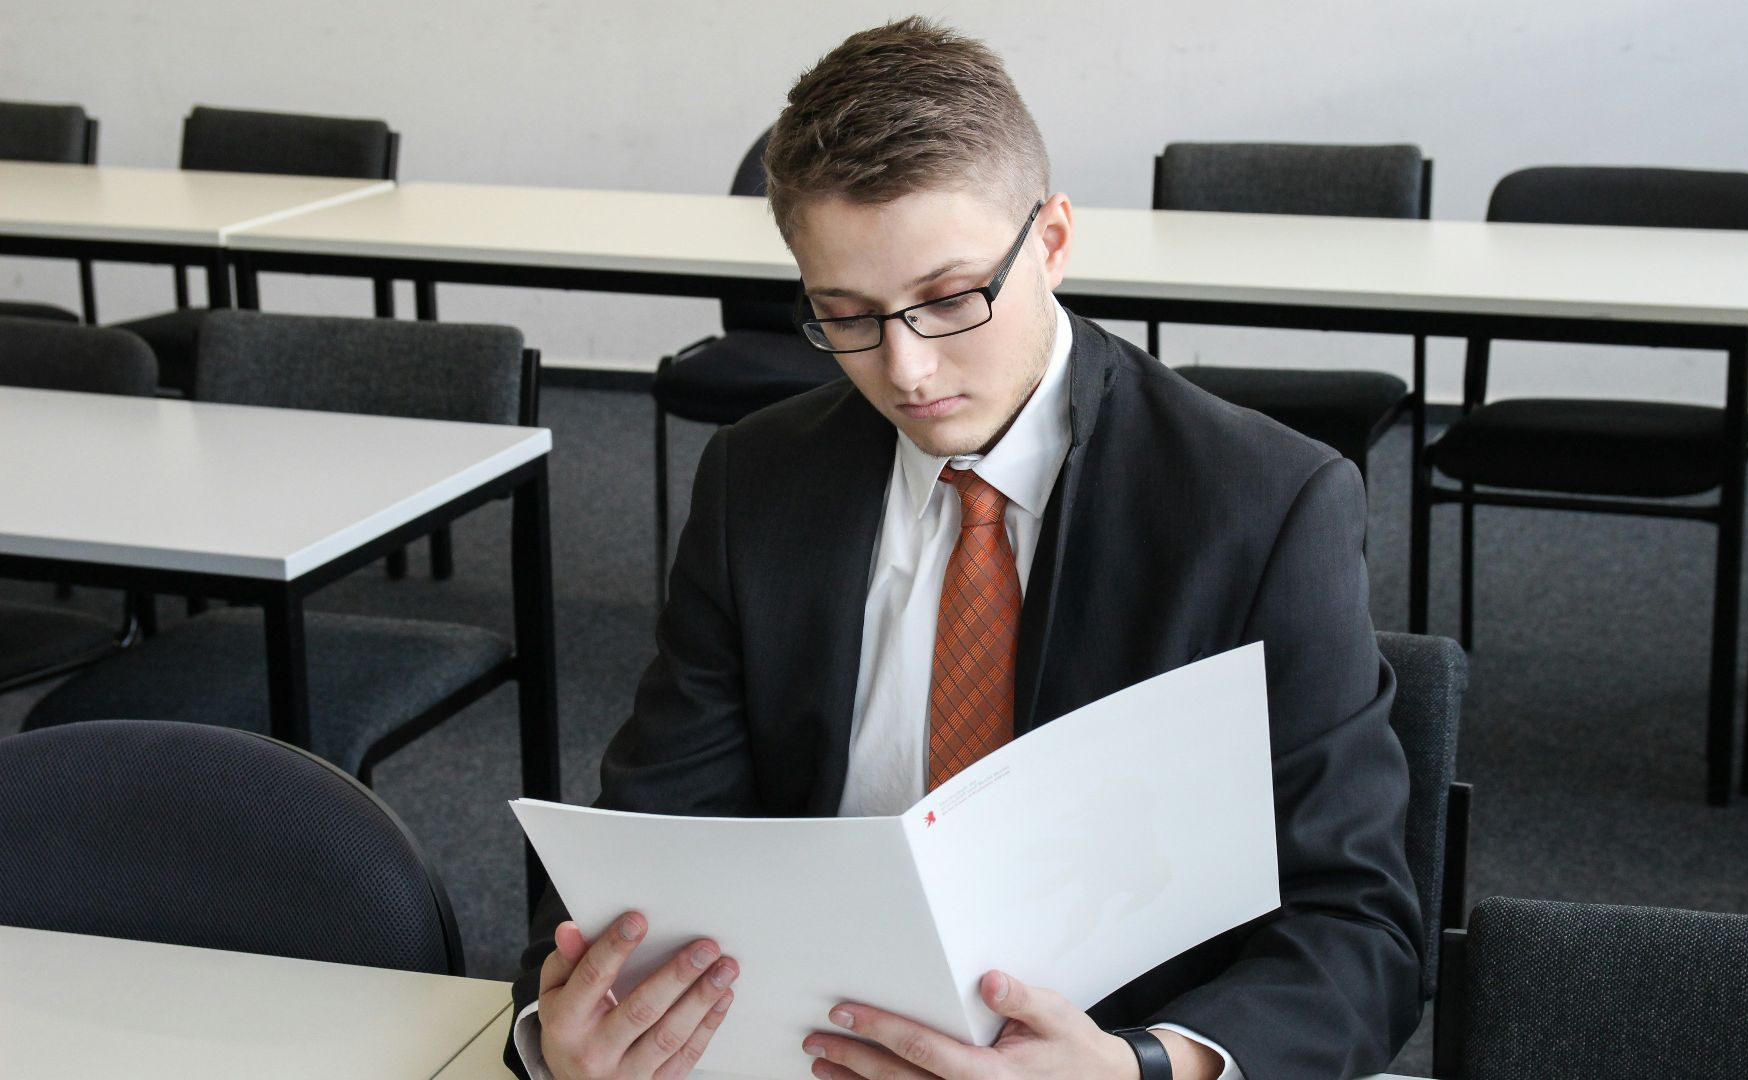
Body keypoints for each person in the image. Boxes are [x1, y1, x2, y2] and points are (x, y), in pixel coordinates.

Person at [508, 17, 1421, 1080]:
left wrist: (1148, 1068)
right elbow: (650, 841)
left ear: (1056, 241)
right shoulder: (758, 481)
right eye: (845, 314)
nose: (904, 368)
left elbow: (1361, 931)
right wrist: (555, 1029)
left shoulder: (1262, 506)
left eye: (949, 299)